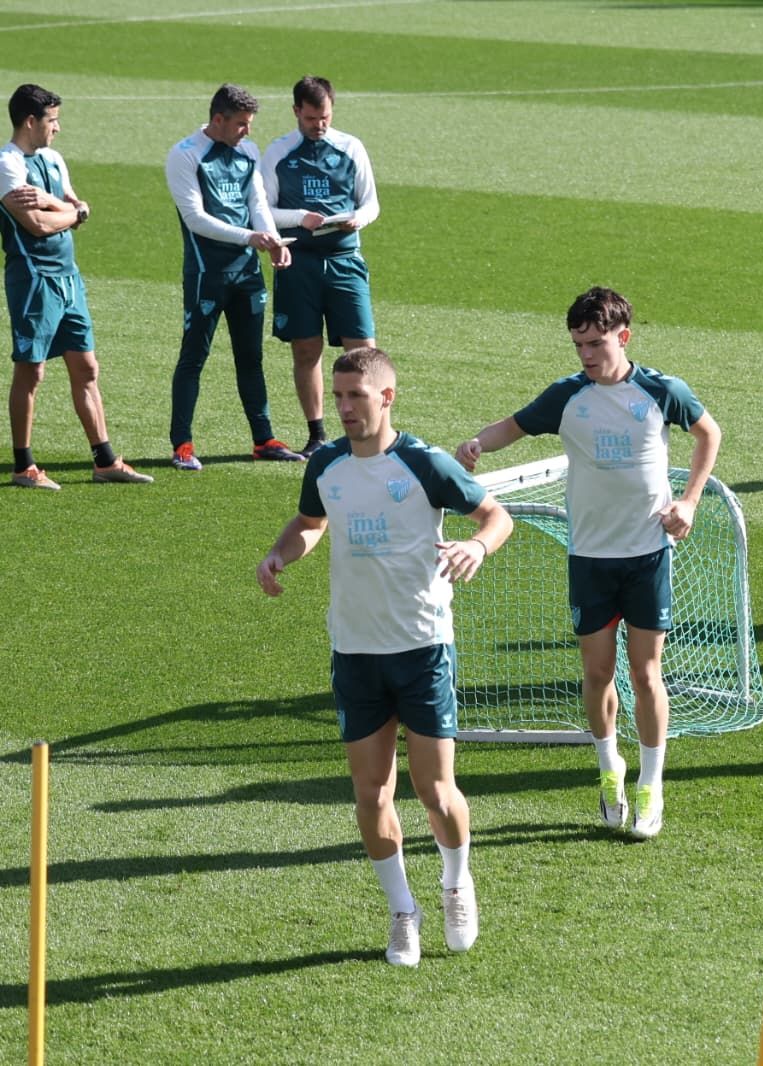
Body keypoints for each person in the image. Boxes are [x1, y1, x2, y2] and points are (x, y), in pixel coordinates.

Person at [257, 346, 512, 968]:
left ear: (387, 397)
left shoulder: (424, 463)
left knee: (435, 791)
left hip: (422, 646)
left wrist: (477, 547)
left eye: (356, 396)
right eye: (338, 396)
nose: (344, 407)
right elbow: (311, 522)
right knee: (371, 795)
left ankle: (456, 883)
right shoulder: (327, 463)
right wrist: (280, 553)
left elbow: (495, 517)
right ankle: (403, 912)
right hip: (355, 649)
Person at [456, 287, 720, 839]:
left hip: (647, 555)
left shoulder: (661, 391)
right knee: (598, 673)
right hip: (589, 559)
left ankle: (651, 783)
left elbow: (708, 433)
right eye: (578, 344)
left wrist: (690, 501)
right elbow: (514, 425)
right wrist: (478, 443)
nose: (586, 355)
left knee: (646, 674)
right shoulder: (567, 395)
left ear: (624, 337)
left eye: (596, 343)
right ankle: (609, 767)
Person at [0, 84, 151, 489]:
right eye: (52, 120)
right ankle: (23, 466)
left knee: (86, 368)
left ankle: (105, 461)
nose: (58, 128)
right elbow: (37, 224)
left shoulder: (53, 159)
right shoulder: (7, 164)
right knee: (31, 370)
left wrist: (60, 206)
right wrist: (72, 212)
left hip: (69, 278)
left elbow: (74, 205)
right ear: (29, 121)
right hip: (34, 280)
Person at [166, 83, 302, 471]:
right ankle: (182, 445)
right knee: (194, 358)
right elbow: (195, 218)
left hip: (247, 273)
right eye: (241, 123)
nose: (247, 130)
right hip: (207, 274)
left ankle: (264, 440)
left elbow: (257, 202)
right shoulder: (185, 155)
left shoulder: (248, 151)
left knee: (251, 358)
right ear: (218, 119)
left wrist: (272, 240)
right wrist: (250, 237)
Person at [262, 75, 380, 458]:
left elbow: (371, 203)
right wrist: (301, 217)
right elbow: (263, 210)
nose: (319, 125)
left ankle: (372, 433)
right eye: (311, 118)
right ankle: (317, 436)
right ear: (296, 111)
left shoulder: (351, 147)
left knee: (364, 351)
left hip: (345, 259)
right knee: (305, 348)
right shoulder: (279, 152)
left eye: (325, 117)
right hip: (299, 262)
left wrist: (358, 219)